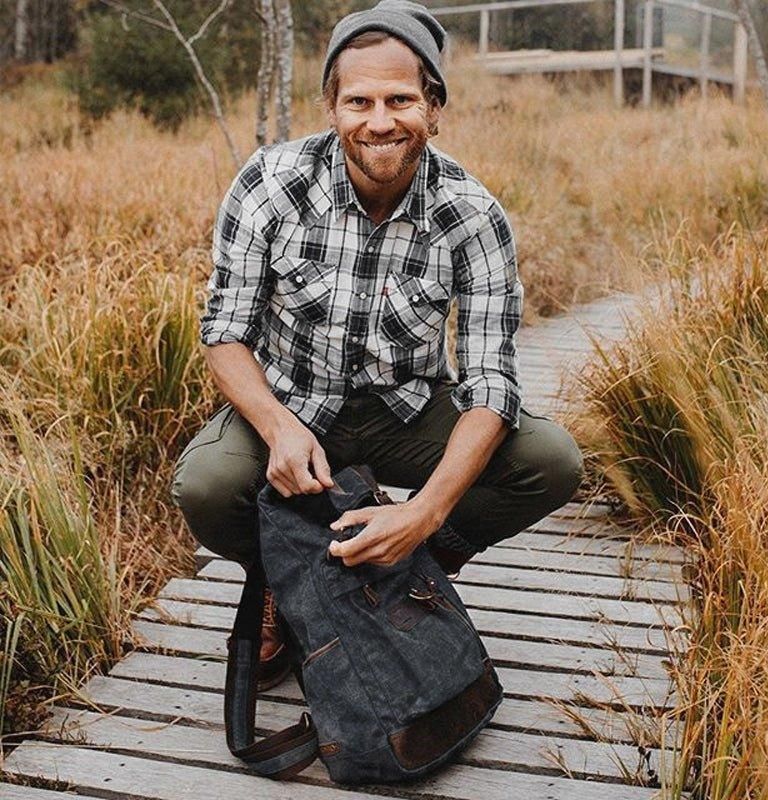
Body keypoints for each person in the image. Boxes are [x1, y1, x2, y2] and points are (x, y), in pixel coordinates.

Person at [172, 0, 583, 689]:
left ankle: (409, 566)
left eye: (401, 99)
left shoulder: (472, 213)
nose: (381, 120)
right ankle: (282, 581)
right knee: (206, 487)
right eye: (359, 100)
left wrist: (424, 516)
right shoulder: (270, 185)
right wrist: (276, 428)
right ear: (331, 107)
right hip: (293, 403)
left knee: (551, 460)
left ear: (435, 105)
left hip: (409, 410)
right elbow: (225, 331)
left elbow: (490, 382)